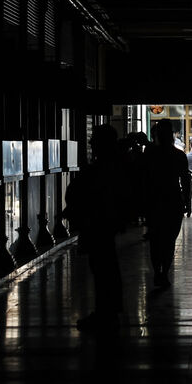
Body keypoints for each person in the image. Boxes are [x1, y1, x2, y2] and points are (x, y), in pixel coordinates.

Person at [64, 123, 127, 331]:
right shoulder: (113, 165)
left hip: (98, 222)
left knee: (102, 267)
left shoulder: (103, 168)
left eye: (94, 140)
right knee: (105, 265)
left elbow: (86, 192)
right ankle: (110, 308)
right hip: (104, 222)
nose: (90, 143)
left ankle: (105, 311)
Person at [142, 119, 192, 288]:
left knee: (155, 240)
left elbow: (141, 180)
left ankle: (158, 272)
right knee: (169, 240)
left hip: (154, 201)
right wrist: (187, 202)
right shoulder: (178, 155)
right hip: (173, 200)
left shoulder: (149, 155)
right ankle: (163, 273)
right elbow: (185, 180)